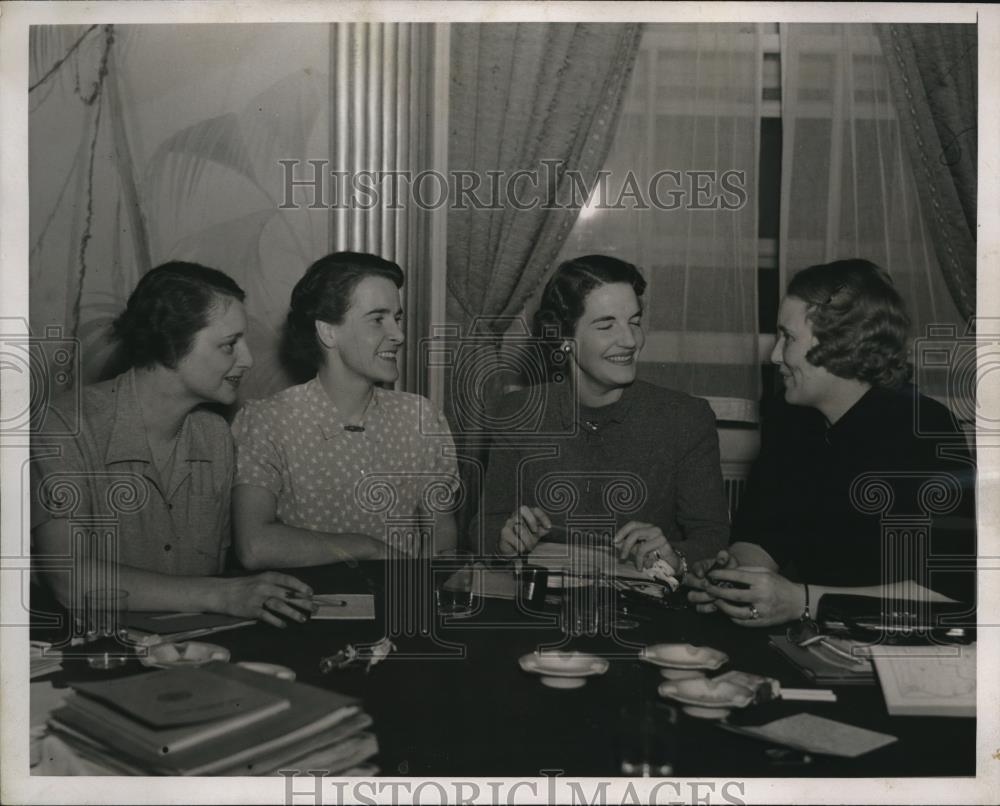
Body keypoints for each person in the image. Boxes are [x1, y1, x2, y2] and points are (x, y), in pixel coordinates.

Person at [688, 259, 976, 626]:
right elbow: (761, 538)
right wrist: (730, 579)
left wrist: (804, 601)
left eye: (788, 338)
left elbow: (951, 595)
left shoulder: (925, 431)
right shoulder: (789, 419)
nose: (775, 356)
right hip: (819, 638)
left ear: (842, 344)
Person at [31, 262, 314, 628]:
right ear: (170, 344)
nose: (248, 359)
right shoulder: (63, 427)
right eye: (229, 345)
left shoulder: (213, 436)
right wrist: (222, 595)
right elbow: (70, 581)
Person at [475, 254, 730, 571]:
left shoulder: (686, 418)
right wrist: (505, 539)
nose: (630, 340)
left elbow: (713, 539)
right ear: (564, 338)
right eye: (606, 325)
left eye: (634, 322)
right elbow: (483, 528)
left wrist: (675, 556)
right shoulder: (516, 413)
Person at [232, 252, 459, 567]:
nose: (398, 335)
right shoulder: (267, 420)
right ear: (328, 332)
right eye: (378, 319)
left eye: (397, 318)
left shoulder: (420, 418)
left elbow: (442, 544)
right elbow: (254, 546)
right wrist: (368, 548)